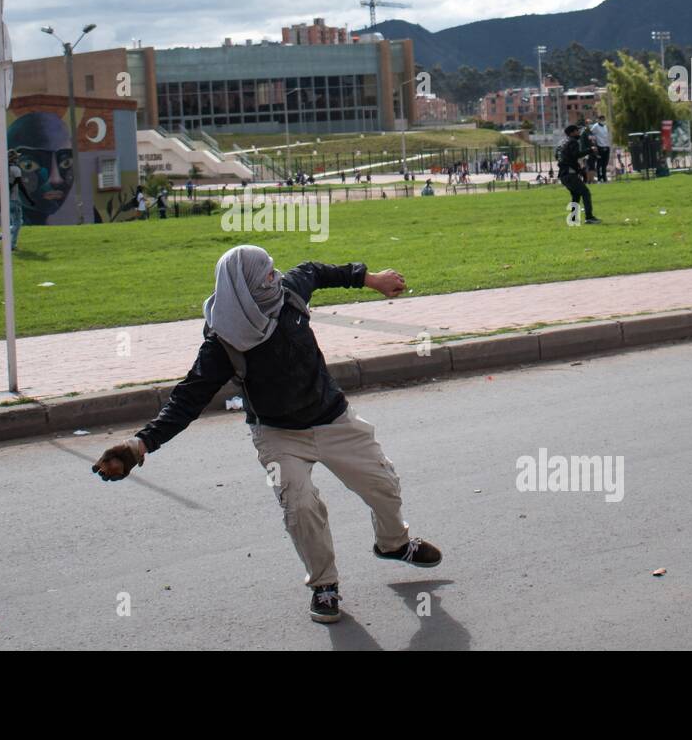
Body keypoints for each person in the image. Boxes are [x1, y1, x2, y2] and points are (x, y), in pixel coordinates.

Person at [92, 246, 441, 624]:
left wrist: (371, 279)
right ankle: (324, 586)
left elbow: (318, 271)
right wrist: (139, 444)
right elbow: (188, 398)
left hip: (334, 418)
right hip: (278, 434)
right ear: (243, 289)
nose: (275, 279)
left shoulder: (289, 292)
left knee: (384, 485)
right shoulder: (223, 342)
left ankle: (393, 544)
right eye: (266, 277)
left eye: (274, 271)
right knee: (301, 506)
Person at [557, 124, 599, 224]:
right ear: (572, 133)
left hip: (563, 174)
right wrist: (590, 150)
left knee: (576, 195)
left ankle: (573, 218)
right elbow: (576, 155)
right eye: (577, 131)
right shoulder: (573, 142)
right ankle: (589, 217)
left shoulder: (562, 143)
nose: (579, 133)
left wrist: (578, 169)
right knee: (585, 192)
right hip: (569, 173)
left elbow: (559, 157)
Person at [0, 153, 24, 252]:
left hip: (6, 200)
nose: (18, 159)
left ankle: (10, 243)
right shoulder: (15, 169)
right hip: (14, 200)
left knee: (17, 222)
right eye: (16, 157)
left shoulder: (2, 170)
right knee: (17, 223)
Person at [590, 115, 611, 181]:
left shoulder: (605, 126)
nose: (603, 121)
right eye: (601, 120)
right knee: (599, 163)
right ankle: (599, 177)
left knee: (605, 163)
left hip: (606, 146)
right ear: (598, 120)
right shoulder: (595, 126)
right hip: (600, 147)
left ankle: (604, 177)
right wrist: (594, 143)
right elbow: (591, 134)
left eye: (604, 119)